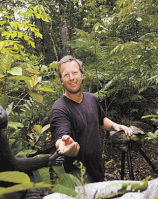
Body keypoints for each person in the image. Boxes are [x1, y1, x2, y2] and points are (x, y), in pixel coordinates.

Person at [50, 55, 133, 183]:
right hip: (77, 178)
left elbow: (100, 120)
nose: (71, 78)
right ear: (61, 80)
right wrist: (65, 146)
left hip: (98, 170)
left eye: (75, 72)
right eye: (66, 75)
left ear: (82, 75)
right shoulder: (59, 108)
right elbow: (61, 136)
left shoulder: (92, 99)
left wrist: (114, 126)